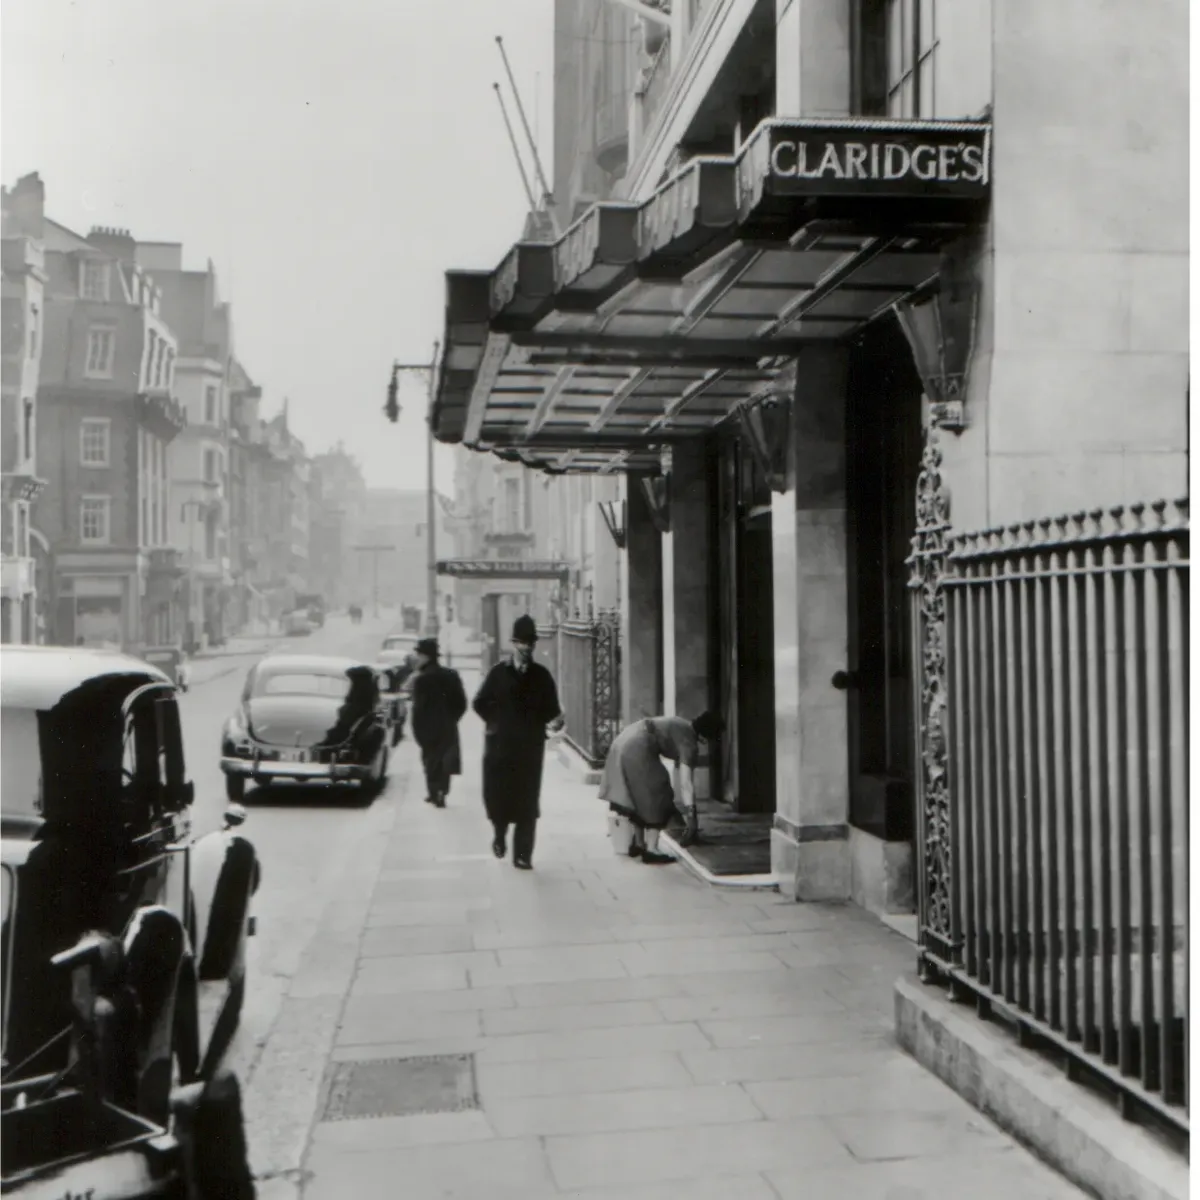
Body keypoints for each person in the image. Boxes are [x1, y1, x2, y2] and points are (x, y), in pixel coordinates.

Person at [472, 614, 564, 870]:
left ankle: (523, 854)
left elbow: (552, 711)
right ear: (513, 643)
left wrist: (555, 722)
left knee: (527, 801)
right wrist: (496, 723)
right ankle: (500, 835)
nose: (526, 648)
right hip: (500, 748)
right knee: (499, 797)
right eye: (522, 643)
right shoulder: (498, 674)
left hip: (530, 749)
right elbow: (479, 703)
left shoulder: (542, 677)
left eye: (530, 643)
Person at [599, 710, 725, 864]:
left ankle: (639, 844)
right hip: (638, 745)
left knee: (638, 794)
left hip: (624, 739)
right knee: (658, 791)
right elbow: (686, 783)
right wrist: (692, 816)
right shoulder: (689, 742)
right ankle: (651, 849)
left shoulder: (682, 724)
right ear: (708, 736)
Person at [410, 637, 467, 808]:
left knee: (430, 760)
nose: (417, 658)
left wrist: (417, 729)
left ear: (426, 657)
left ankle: (434, 792)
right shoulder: (451, 675)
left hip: (427, 727)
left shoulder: (421, 679)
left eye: (419, 654)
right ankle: (442, 790)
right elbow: (462, 703)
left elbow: (418, 708)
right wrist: (452, 718)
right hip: (448, 725)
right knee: (445, 760)